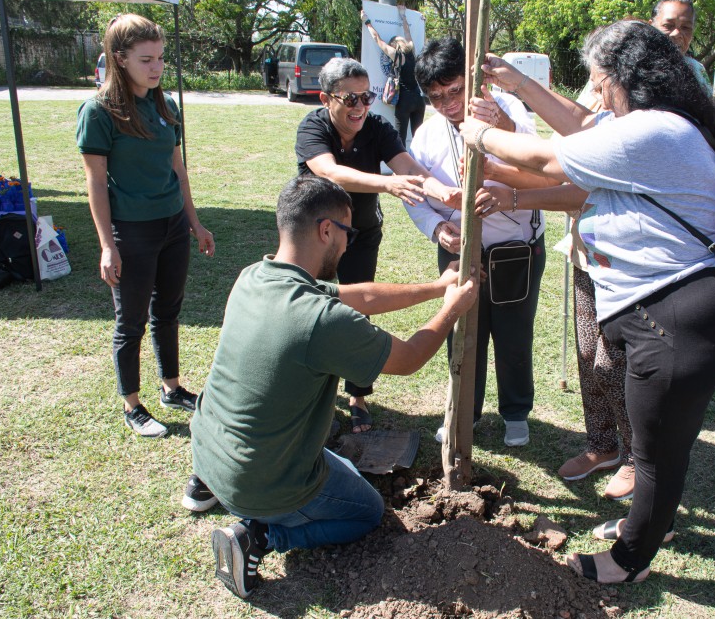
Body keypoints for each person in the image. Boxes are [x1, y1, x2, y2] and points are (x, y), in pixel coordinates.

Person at [461, 19, 715, 583]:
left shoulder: (654, 133)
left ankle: (629, 561)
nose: (595, 94)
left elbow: (551, 158)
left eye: (599, 82)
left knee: (654, 454)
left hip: (676, 321)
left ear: (627, 80)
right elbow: (585, 125)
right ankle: (650, 523)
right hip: (678, 313)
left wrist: (481, 137)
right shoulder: (661, 124)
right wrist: (520, 85)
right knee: (658, 447)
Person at [192, 175, 478, 599]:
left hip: (211, 455)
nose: (348, 244)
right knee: (366, 511)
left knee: (338, 465)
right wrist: (450, 310)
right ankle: (261, 537)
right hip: (259, 480)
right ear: (327, 230)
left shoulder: (256, 275)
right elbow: (410, 358)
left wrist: (437, 288)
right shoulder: (320, 320)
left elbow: (359, 296)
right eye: (348, 232)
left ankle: (246, 502)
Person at [296, 57, 458, 433]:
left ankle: (357, 396)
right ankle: (313, 392)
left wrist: (446, 193)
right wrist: (385, 183)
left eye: (366, 97)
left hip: (360, 233)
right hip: (313, 237)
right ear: (325, 98)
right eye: (349, 99)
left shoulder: (379, 127)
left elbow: (408, 167)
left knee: (356, 311)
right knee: (310, 310)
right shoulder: (312, 128)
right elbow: (330, 171)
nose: (360, 107)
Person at [76, 13, 215, 438]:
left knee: (168, 311)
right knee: (130, 321)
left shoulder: (164, 104)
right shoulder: (98, 111)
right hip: (131, 231)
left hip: (172, 225)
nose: (156, 68)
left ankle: (171, 388)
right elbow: (96, 184)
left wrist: (194, 222)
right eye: (145, 59)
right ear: (119, 59)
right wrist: (106, 245)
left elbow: (179, 170)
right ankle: (131, 404)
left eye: (159, 58)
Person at [403, 37, 545, 447]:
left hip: (515, 247)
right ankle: (465, 409)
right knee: (463, 330)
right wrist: (436, 227)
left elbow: (534, 157)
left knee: (514, 332)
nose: (448, 105)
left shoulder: (507, 109)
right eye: (436, 97)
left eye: (454, 92)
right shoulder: (426, 136)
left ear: (472, 79)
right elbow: (415, 193)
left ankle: (516, 412)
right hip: (458, 248)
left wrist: (499, 123)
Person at [361, 5, 426, 144]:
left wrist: (367, 22)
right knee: (419, 138)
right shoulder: (411, 52)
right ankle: (421, 164)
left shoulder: (396, 56)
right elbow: (407, 31)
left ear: (395, 45)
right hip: (419, 100)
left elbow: (377, 39)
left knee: (400, 139)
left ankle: (401, 165)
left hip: (405, 101)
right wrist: (403, 16)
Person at [649, 0, 713, 94]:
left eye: (685, 28)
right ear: (651, 27)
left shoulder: (697, 71)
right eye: (668, 25)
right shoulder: (631, 66)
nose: (677, 34)